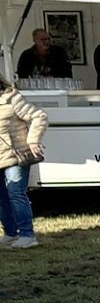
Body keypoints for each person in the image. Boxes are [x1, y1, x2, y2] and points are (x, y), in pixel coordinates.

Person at [0, 74, 47, 249]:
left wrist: (33, 140)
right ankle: (11, 233)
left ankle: (27, 234)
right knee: (2, 198)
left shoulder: (12, 98)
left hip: (16, 155)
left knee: (16, 193)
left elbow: (39, 116)